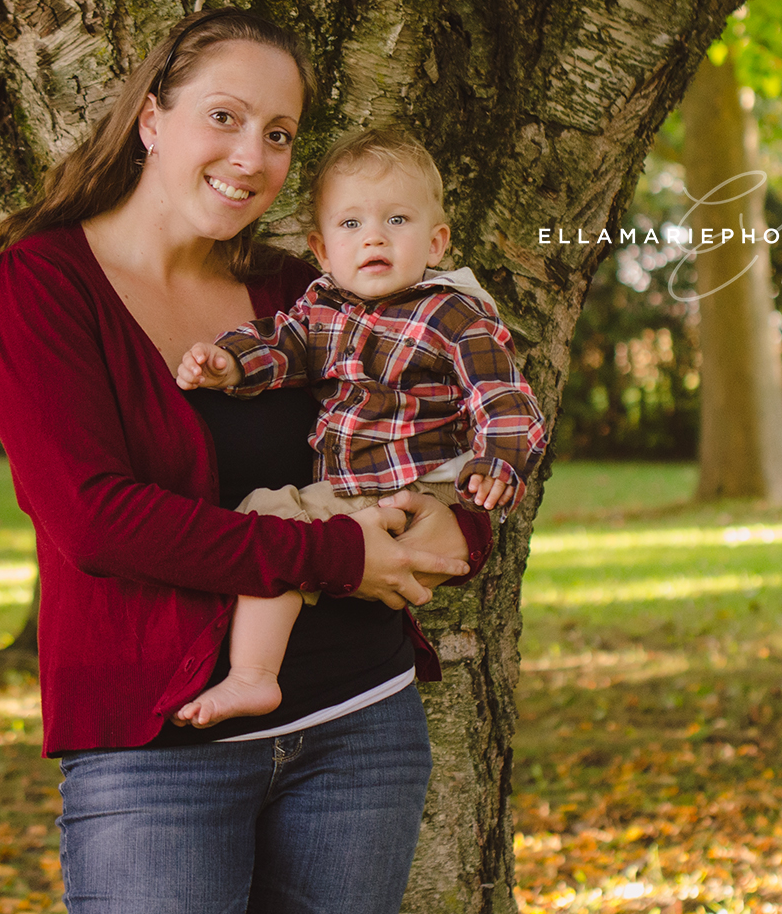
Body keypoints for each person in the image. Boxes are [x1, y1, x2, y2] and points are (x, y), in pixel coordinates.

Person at [0, 7, 493, 914]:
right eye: (225, 116)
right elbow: (98, 520)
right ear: (151, 118)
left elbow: (428, 440)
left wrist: (459, 529)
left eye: (279, 133)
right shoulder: (39, 286)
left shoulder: (304, 292)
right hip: (154, 744)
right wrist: (338, 553)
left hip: (354, 728)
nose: (252, 156)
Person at [170, 129, 546, 728]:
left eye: (397, 219)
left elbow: (503, 395)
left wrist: (498, 461)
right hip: (355, 486)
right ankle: (262, 666)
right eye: (350, 225)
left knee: (272, 516)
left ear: (437, 240)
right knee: (274, 519)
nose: (373, 236)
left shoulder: (451, 313)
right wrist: (230, 361)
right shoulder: (324, 308)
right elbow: (283, 344)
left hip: (416, 482)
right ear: (321, 250)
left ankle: (251, 676)